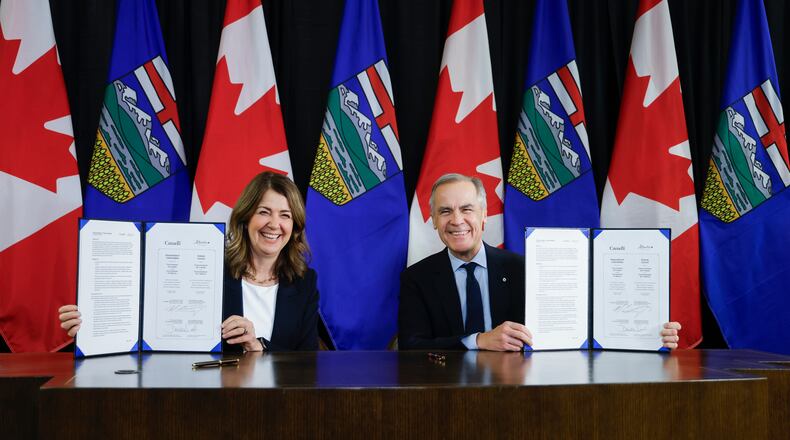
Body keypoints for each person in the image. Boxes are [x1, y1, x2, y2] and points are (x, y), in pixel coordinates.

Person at [399, 173, 681, 351]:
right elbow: (412, 346)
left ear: (484, 216)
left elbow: (578, 328)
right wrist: (478, 341)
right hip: (446, 393)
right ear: (434, 220)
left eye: (467, 209)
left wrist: (647, 334)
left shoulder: (524, 269)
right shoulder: (417, 278)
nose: (457, 220)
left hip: (519, 392)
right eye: (445, 211)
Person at [59, 171, 318, 351]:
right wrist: (93, 327)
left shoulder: (305, 282)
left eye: (285, 215)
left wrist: (257, 345)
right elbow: (153, 326)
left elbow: (306, 362)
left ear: (294, 225)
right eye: (264, 212)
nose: (274, 224)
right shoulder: (208, 270)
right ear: (245, 218)